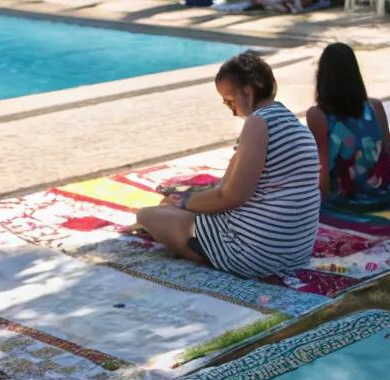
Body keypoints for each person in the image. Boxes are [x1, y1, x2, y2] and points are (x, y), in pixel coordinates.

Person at [134, 50, 320, 278]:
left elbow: (230, 196)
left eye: (230, 102)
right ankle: (197, 234)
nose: (232, 111)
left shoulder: (258, 122)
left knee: (147, 215)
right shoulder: (295, 127)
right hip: (296, 252)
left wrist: (184, 201)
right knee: (173, 208)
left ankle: (207, 247)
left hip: (256, 254)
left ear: (248, 92)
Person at [306, 42, 390, 209]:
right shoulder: (375, 107)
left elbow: (321, 167)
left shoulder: (318, 116)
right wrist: (387, 190)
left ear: (322, 77)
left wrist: (317, 205)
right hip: (381, 194)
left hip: (342, 199)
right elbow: (386, 155)